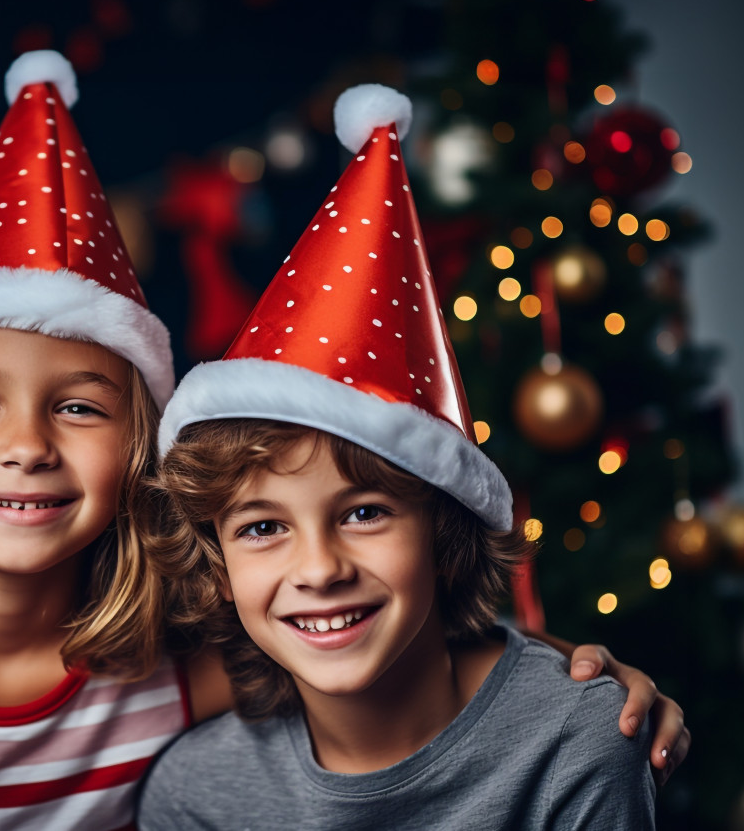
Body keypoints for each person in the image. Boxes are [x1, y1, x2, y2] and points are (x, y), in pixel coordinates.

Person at [0, 59, 681, 830]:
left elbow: (391, 642)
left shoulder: (177, 661)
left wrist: (574, 678)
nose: (26, 446)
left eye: (80, 409)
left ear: (139, 453)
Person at [139, 85, 659, 828]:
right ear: (217, 567)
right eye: (261, 526)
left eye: (363, 512)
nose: (319, 568)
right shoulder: (198, 793)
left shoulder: (575, 745)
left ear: (444, 537)